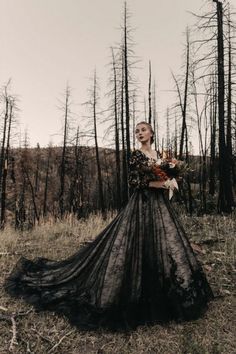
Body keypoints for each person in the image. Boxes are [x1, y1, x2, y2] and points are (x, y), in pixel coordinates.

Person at [4, 121, 214, 332]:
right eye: (137, 131)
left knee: (167, 245)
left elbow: (164, 175)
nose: (140, 133)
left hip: (159, 205)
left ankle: (164, 290)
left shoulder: (159, 155)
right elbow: (134, 182)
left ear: (151, 132)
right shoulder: (136, 155)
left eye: (143, 130)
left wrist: (170, 178)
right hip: (141, 204)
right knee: (134, 246)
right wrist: (161, 183)